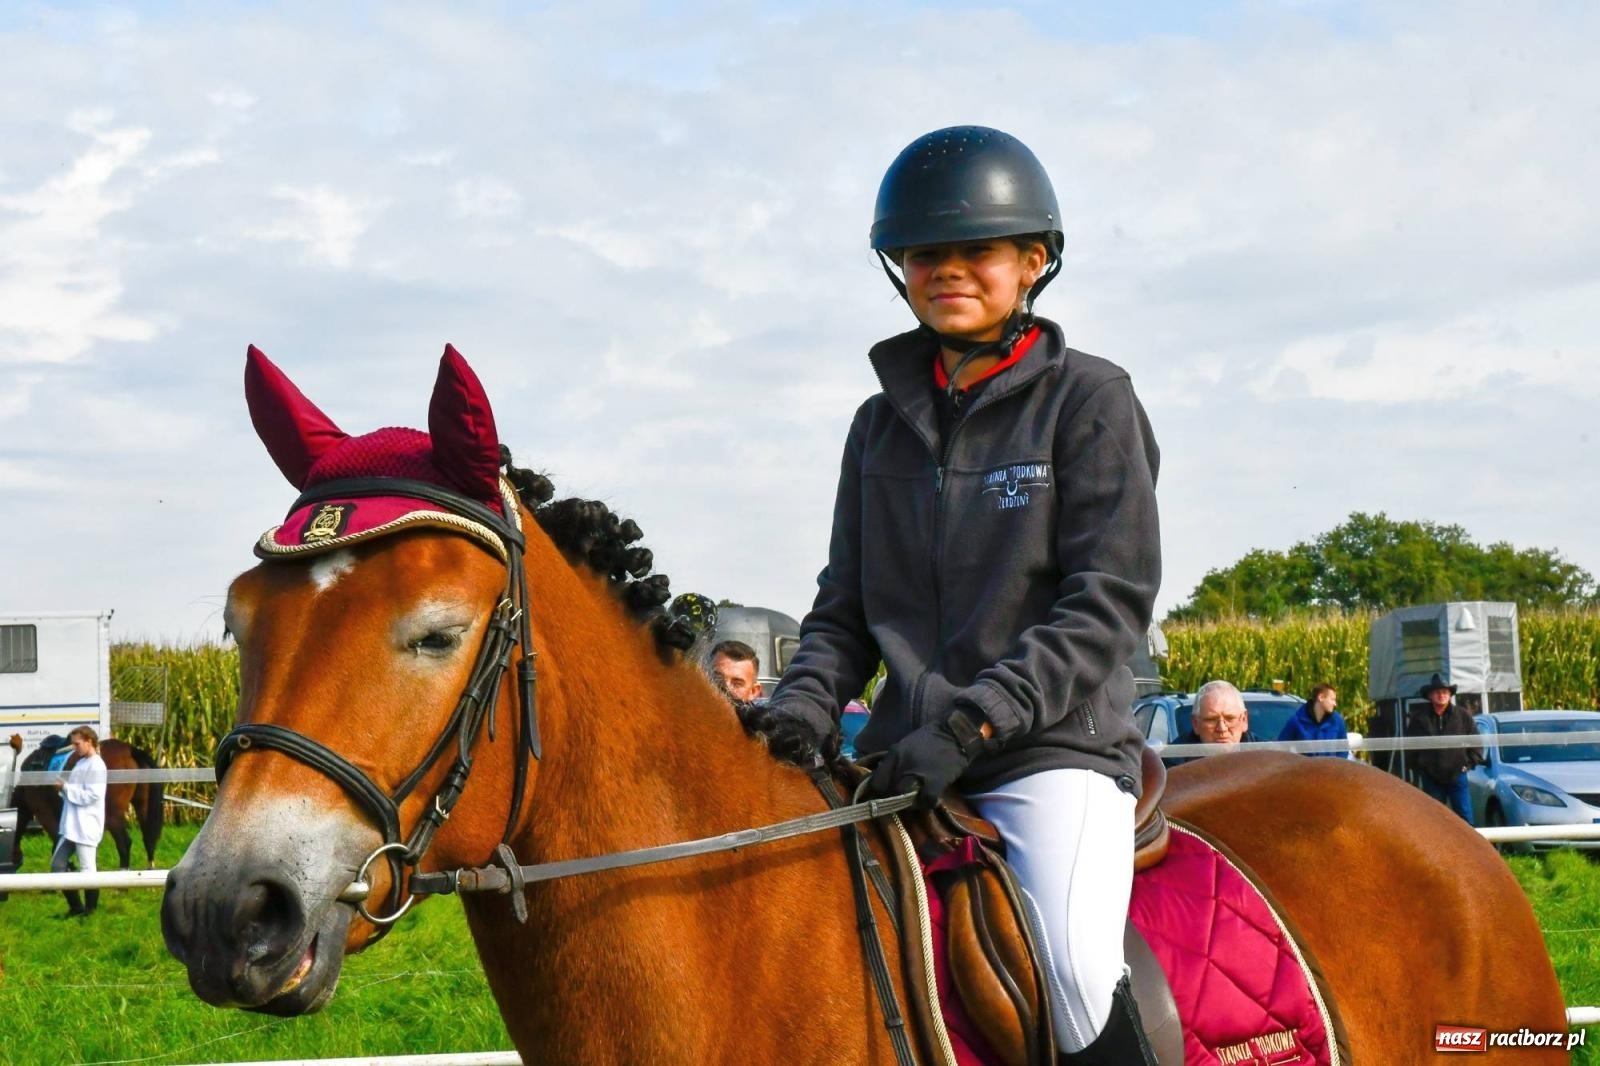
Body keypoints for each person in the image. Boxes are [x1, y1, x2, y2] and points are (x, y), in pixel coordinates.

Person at [761, 126, 1162, 1064]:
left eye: (976, 251)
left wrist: (975, 726)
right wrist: (803, 707)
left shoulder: (1090, 399)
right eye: (926, 254)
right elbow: (844, 606)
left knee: (1067, 965)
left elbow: (1107, 599)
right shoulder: (875, 425)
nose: (949, 270)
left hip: (1048, 754)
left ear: (1033, 262)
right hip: (903, 758)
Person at [1406, 673, 1482, 823]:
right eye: (1437, 692)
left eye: (1445, 692)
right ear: (1430, 695)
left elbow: (1476, 741)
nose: (1441, 695)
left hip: (1457, 775)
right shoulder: (1420, 718)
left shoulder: (1462, 715)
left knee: (1465, 820)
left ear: (1450, 694)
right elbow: (1410, 746)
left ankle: (1465, 847)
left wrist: (1468, 764)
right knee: (1434, 821)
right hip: (1431, 778)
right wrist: (1420, 768)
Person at [51, 726, 107, 918]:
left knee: (88, 869)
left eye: (77, 744)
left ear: (89, 741)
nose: (74, 747)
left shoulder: (97, 765)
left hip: (86, 825)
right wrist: (63, 788)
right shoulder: (82, 762)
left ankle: (90, 913)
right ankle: (76, 907)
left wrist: (65, 788)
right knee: (57, 865)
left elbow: (92, 795)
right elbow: (75, 790)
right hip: (71, 825)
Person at [1166, 680, 1260, 766]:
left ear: (1244, 720)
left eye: (1230, 718)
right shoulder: (1171, 764)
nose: (1222, 728)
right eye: (1211, 720)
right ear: (1195, 723)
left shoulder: (1264, 758)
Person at [1275, 683, 1351, 759]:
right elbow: (1281, 748)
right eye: (1332, 699)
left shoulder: (1337, 721)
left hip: (1331, 769)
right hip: (1305, 769)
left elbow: (1343, 751)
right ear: (1321, 697)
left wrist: (1336, 768)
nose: (1335, 704)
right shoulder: (1297, 721)